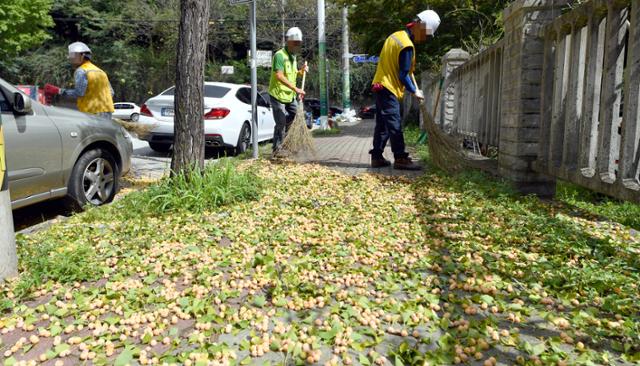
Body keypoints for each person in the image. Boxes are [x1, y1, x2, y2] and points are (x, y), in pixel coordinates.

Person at [370, 10, 441, 170]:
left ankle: (377, 157)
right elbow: (403, 74)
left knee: (382, 124)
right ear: (420, 26)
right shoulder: (407, 45)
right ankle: (400, 158)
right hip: (389, 87)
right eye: (427, 34)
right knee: (394, 123)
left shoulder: (395, 36)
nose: (425, 38)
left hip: (379, 84)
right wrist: (414, 90)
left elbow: (400, 68)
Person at [44, 42, 115, 120]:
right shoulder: (100, 71)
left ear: (81, 55)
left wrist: (59, 91)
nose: (70, 58)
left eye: (72, 55)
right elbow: (111, 92)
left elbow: (79, 93)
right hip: (107, 112)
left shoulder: (81, 71)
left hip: (91, 113)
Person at [268, 27, 309, 157]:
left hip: (290, 95)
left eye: (298, 43)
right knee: (280, 123)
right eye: (295, 42)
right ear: (288, 41)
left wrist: (301, 71)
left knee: (297, 115)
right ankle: (277, 149)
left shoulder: (293, 56)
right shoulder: (280, 56)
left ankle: (288, 141)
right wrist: (296, 89)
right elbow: (279, 76)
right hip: (278, 94)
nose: (297, 45)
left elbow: (292, 74)